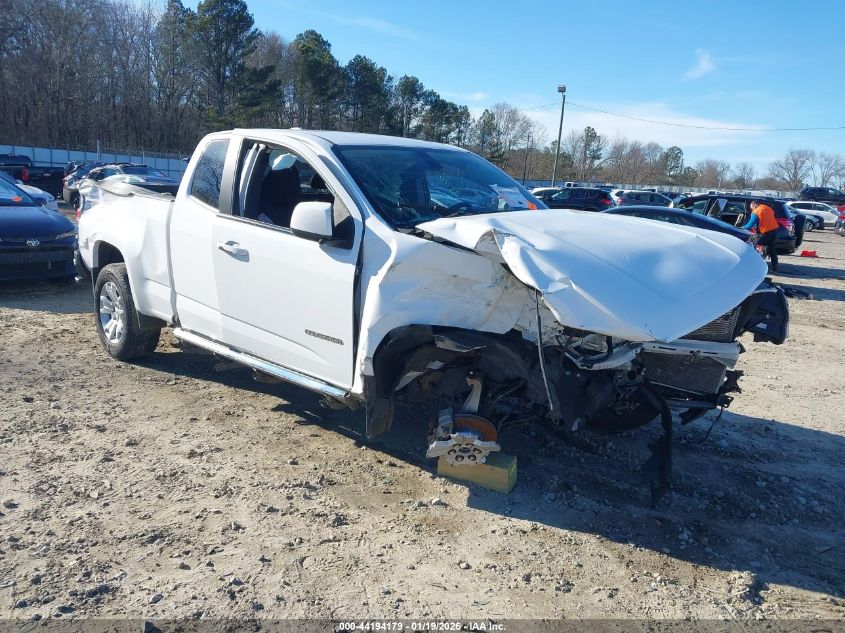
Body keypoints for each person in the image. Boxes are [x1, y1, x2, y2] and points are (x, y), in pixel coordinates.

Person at [742, 200, 780, 272]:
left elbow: (750, 224)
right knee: (772, 249)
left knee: (751, 245)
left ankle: (752, 265)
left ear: (754, 206)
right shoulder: (768, 208)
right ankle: (775, 267)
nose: (752, 210)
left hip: (764, 233)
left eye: (752, 208)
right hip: (774, 231)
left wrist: (741, 228)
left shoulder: (756, 212)